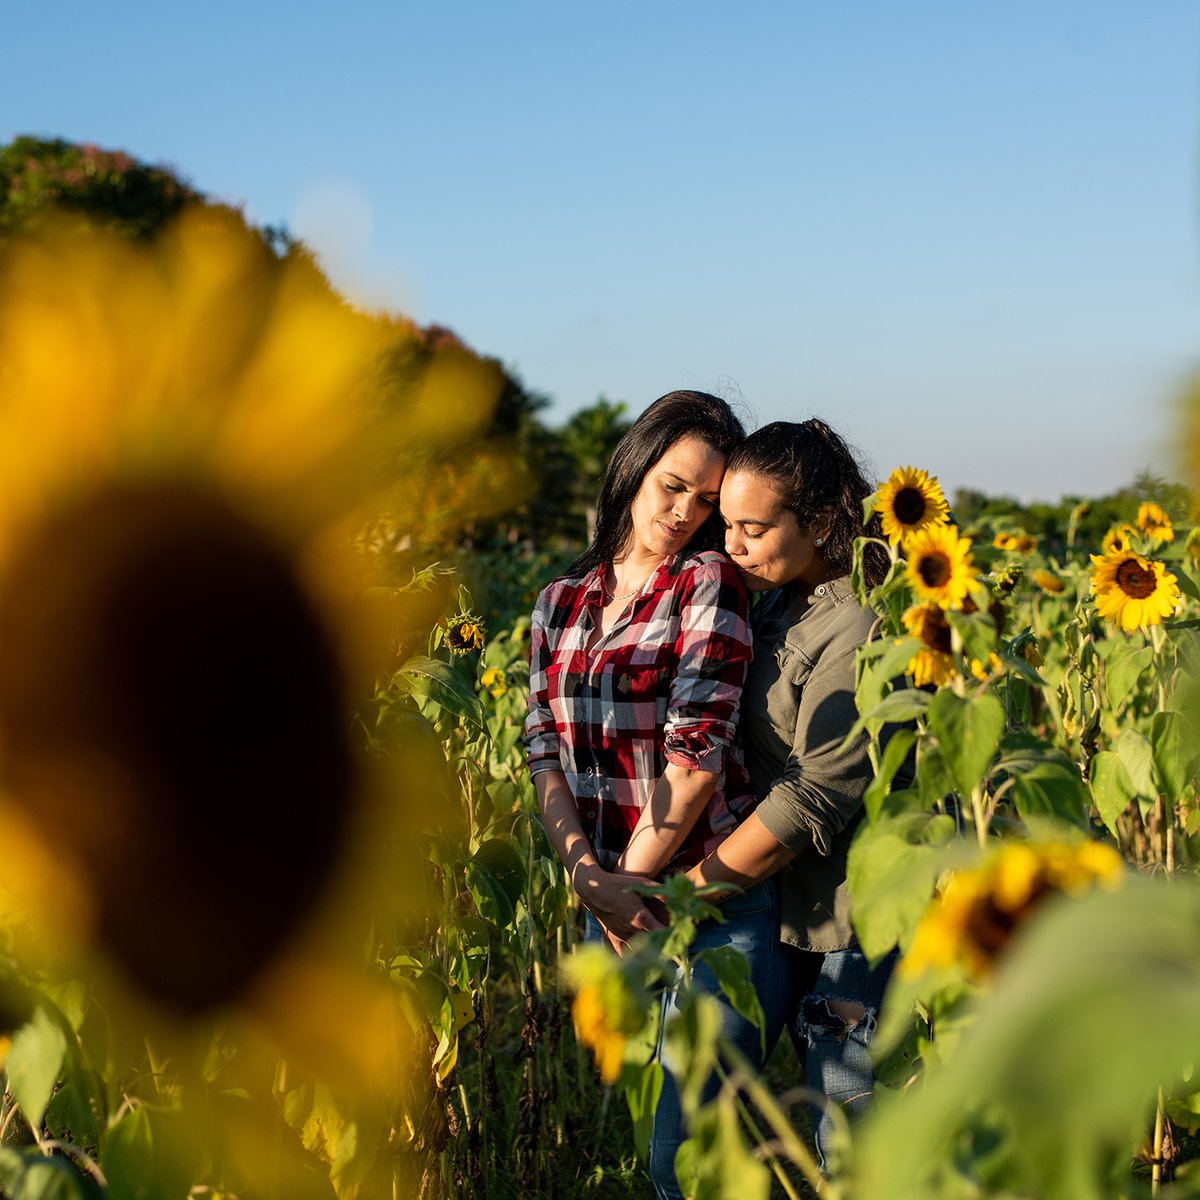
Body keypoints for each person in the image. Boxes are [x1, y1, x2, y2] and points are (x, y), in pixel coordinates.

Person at [523, 391, 793, 1199]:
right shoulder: (558, 602)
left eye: (708, 501)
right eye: (672, 485)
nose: (684, 512)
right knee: (676, 1151)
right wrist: (586, 880)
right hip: (617, 908)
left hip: (708, 910)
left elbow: (697, 753)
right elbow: (543, 752)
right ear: (633, 467)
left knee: (687, 1165)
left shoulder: (707, 581)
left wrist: (624, 891)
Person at [686, 418, 898, 1174]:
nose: (731, 546)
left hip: (857, 923)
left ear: (818, 523)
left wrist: (688, 894)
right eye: (727, 526)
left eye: (751, 528)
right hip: (788, 910)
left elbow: (814, 794)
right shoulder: (779, 598)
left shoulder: (861, 625)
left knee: (851, 1142)